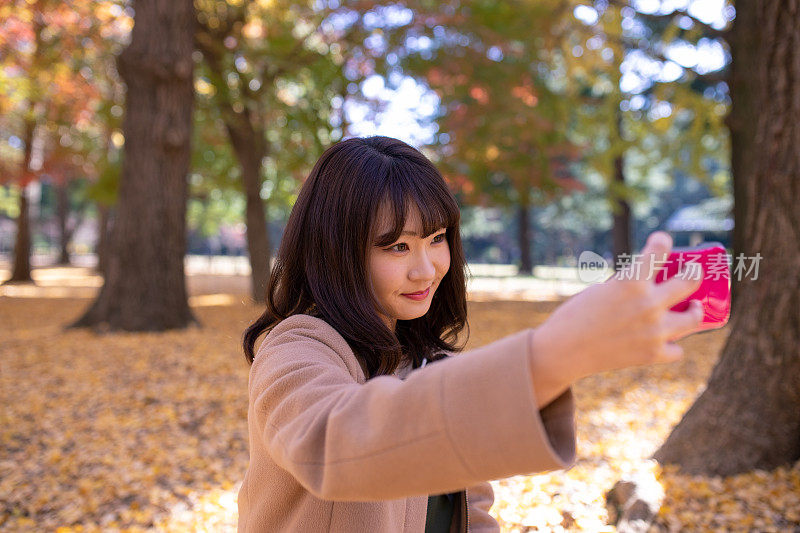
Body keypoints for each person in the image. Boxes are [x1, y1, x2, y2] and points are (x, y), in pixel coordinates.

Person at [237, 136, 704, 532]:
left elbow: (470, 513)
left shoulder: (430, 364)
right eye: (398, 246)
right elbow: (337, 444)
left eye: (436, 238)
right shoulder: (296, 349)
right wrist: (555, 354)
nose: (427, 269)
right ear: (336, 251)